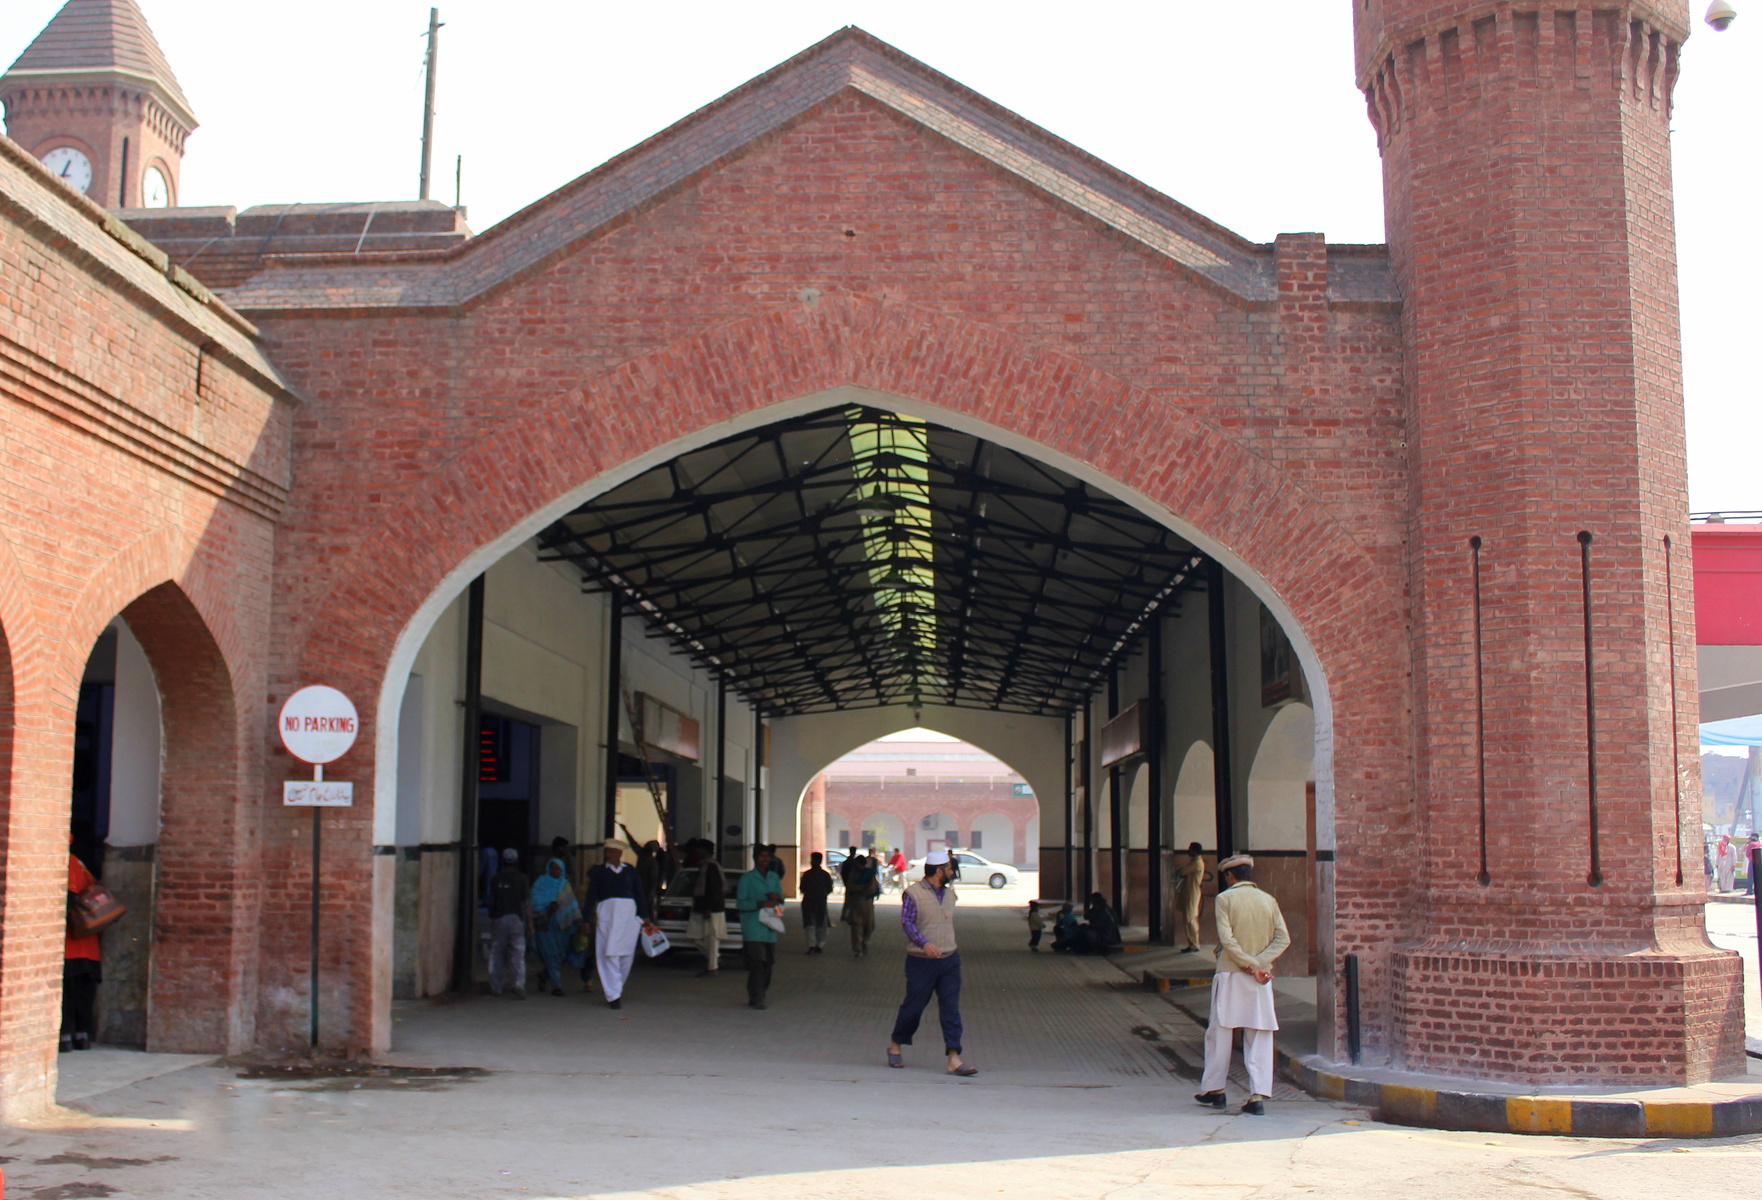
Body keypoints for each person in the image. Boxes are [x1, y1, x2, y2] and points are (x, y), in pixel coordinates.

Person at [1195, 854, 1290, 1117]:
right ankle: (1257, 1096)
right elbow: (1283, 939)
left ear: (1229, 876)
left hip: (1231, 974)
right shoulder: (1268, 900)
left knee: (1219, 1034)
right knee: (1259, 1034)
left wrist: (1248, 965)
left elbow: (1227, 939)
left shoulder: (1225, 899)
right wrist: (1259, 965)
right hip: (1261, 979)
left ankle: (1216, 1090)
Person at [886, 849, 977, 1076]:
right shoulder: (913, 893)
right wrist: (924, 943)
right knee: (914, 1007)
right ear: (939, 871)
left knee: (950, 1009)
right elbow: (907, 923)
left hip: (949, 959)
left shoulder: (949, 894)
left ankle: (954, 1058)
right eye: (948, 869)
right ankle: (896, 1043)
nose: (951, 873)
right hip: (921, 962)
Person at [584, 839, 655, 1009]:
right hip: (607, 916)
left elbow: (639, 894)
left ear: (619, 853)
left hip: (628, 917)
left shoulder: (630, 871)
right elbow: (591, 896)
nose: (608, 854)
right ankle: (613, 995)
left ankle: (616, 987)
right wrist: (586, 919)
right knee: (608, 953)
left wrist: (645, 915)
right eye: (606, 851)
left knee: (626, 954)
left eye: (611, 851)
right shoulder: (600, 872)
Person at [63, 844, 103, 1051]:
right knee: (84, 993)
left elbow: (68, 900)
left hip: (71, 942)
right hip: (87, 943)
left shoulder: (66, 861)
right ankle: (82, 1035)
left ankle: (66, 1037)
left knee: (67, 992)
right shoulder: (78, 863)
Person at [736, 845, 784, 1009]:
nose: (765, 859)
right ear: (755, 858)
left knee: (768, 963)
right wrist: (761, 903)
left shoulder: (774, 878)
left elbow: (781, 901)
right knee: (757, 962)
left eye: (767, 856)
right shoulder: (747, 879)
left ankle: (760, 992)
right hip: (753, 927)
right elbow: (740, 903)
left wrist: (775, 898)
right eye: (762, 856)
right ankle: (757, 997)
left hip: (770, 928)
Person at [530, 857, 581, 997]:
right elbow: (534, 900)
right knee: (551, 954)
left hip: (562, 925)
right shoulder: (541, 882)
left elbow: (571, 905)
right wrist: (549, 904)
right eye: (552, 868)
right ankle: (556, 986)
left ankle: (544, 976)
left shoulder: (564, 885)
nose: (554, 871)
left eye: (557, 868)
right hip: (545, 924)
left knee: (560, 955)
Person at [485, 847, 532, 999]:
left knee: (497, 953)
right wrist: (530, 924)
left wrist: (492, 916)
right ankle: (518, 984)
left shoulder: (495, 879)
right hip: (517, 920)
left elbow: (491, 901)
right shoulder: (522, 879)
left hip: (499, 919)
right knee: (518, 953)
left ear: (502, 861)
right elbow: (526, 903)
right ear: (517, 862)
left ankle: (496, 986)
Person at [686, 839, 728, 977]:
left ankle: (712, 967)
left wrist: (709, 908)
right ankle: (714, 958)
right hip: (704, 908)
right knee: (696, 937)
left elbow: (714, 889)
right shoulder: (705, 866)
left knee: (711, 939)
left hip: (712, 909)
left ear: (706, 851)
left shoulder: (711, 867)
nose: (697, 852)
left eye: (700, 849)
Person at [1176, 842, 1212, 954]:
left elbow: (1183, 871)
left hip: (1193, 893)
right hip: (1189, 892)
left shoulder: (1197, 863)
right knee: (1188, 918)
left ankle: (1194, 944)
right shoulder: (1194, 862)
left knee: (1190, 918)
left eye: (1190, 849)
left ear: (1195, 851)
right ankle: (1191, 943)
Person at [842, 852, 880, 957]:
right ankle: (858, 948)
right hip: (856, 904)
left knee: (869, 926)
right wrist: (861, 888)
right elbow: (850, 886)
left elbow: (872, 888)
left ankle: (865, 943)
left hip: (867, 904)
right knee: (856, 926)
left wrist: (860, 888)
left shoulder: (869, 875)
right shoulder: (853, 874)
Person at [800, 852, 834, 954]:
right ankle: (816, 945)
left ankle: (815, 945)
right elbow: (829, 889)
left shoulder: (809, 874)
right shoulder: (824, 875)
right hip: (817, 902)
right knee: (814, 924)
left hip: (812, 901)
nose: (812, 862)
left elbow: (802, 888)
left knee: (816, 924)